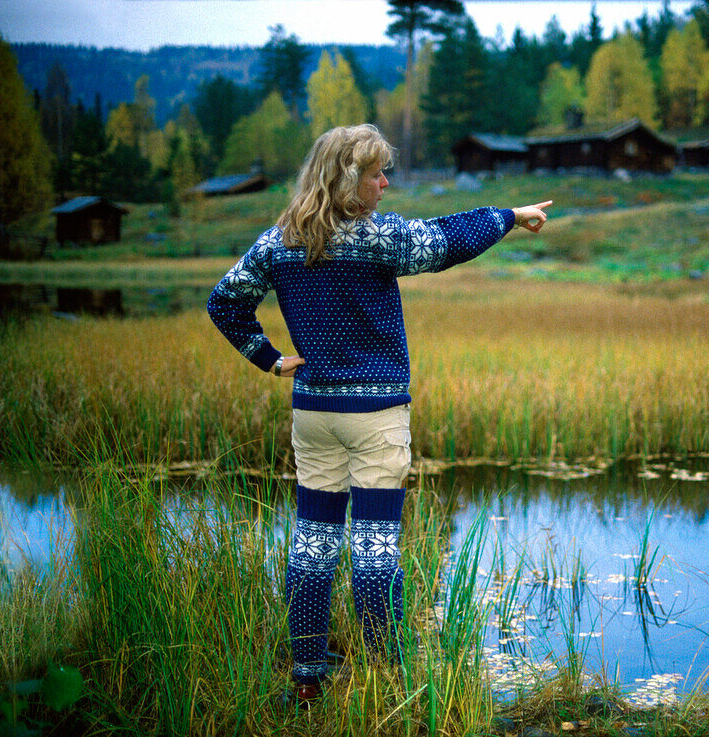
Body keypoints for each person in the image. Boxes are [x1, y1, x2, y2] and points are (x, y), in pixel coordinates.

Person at [208, 123, 551, 704]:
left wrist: (268, 360)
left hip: (313, 410)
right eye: (374, 174)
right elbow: (448, 239)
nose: (385, 183)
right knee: (375, 548)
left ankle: (309, 677)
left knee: (313, 544)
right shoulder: (378, 238)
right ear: (347, 179)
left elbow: (224, 301)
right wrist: (511, 215)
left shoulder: (278, 241)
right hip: (376, 413)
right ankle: (388, 675)